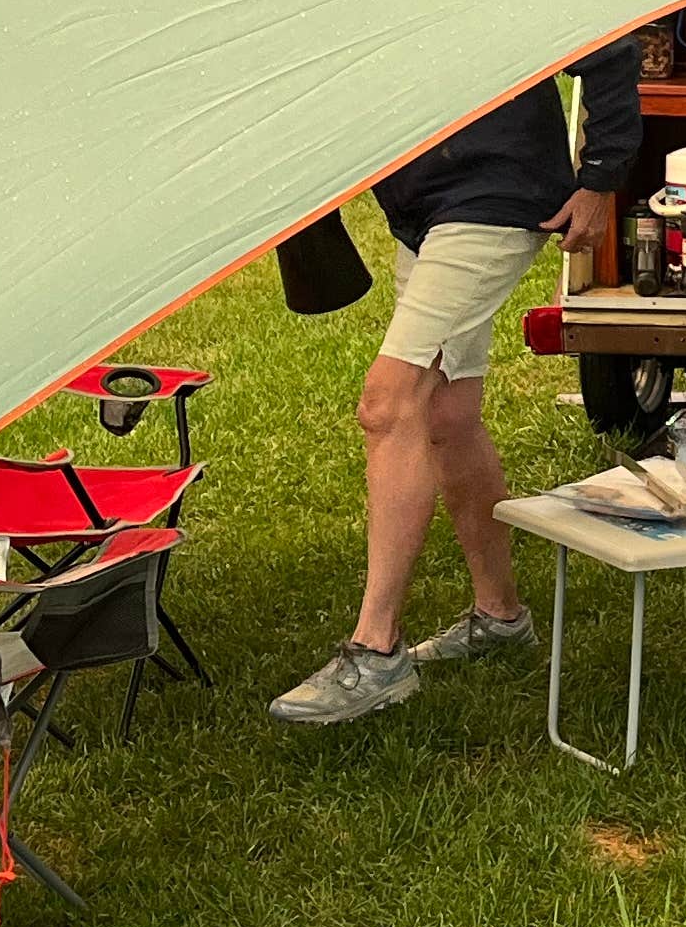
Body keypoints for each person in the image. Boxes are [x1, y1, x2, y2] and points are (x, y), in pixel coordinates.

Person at [272, 39, 644, 727]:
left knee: (389, 405)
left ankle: (376, 653)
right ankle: (501, 616)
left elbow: (608, 44)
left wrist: (601, 177)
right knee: (446, 415)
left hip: (496, 195)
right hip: (423, 207)